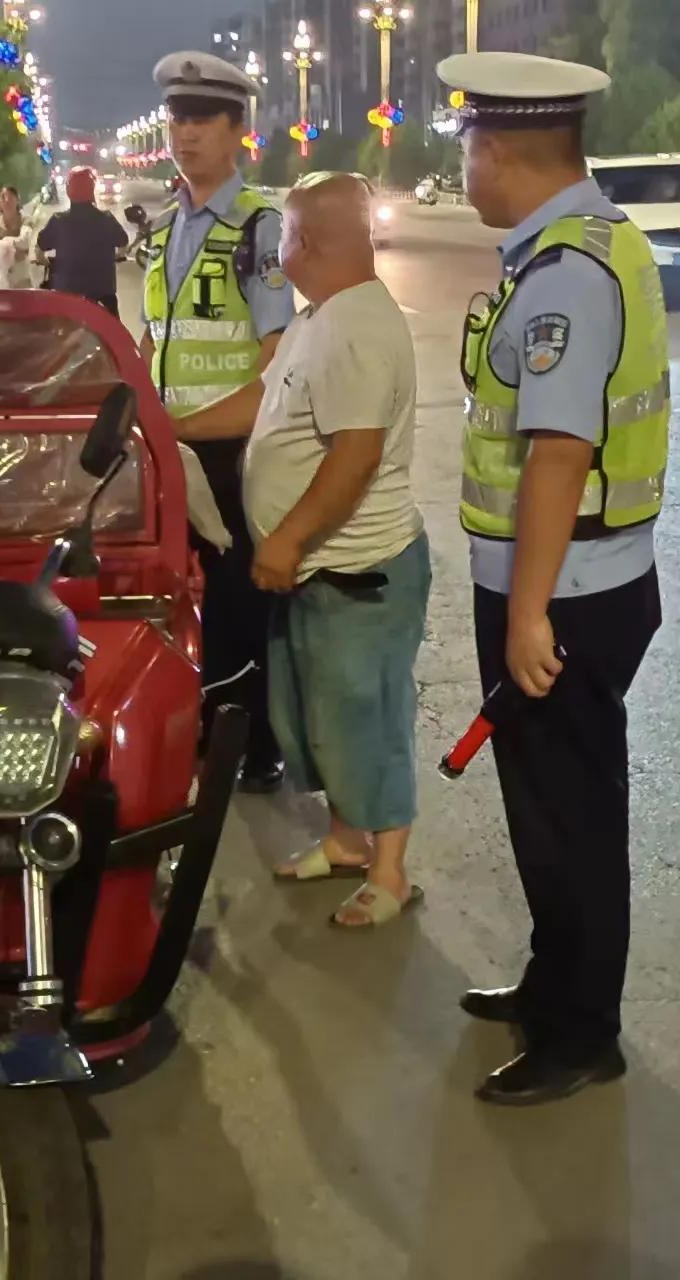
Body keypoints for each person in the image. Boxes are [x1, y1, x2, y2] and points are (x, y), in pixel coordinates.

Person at [440, 51, 671, 1107]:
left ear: (497, 150)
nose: (466, 172)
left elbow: (560, 451)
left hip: (565, 592)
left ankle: (583, 1033)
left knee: (569, 815)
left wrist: (527, 610)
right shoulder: (584, 245)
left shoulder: (568, 273)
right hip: (572, 581)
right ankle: (553, 984)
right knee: (546, 807)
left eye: (468, 150)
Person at [245, 174, 430, 928]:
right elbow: (262, 401)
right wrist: (169, 424)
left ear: (306, 242)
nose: (277, 250)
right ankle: (348, 842)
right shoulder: (319, 315)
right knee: (318, 720)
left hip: (360, 573)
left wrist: (287, 538)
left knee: (369, 721)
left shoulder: (357, 328)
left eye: (283, 235)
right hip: (317, 573)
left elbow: (355, 458)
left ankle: (389, 872)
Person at [144, 49, 292, 791]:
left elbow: (277, 363)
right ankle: (198, 727)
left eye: (204, 118)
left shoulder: (260, 229)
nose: (186, 132)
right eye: (178, 116)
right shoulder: (165, 227)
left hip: (233, 453)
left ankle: (252, 744)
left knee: (239, 602)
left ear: (238, 132)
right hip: (171, 453)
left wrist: (181, 428)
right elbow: (156, 339)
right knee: (176, 595)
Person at [39, 168, 129, 316]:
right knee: (113, 329)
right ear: (92, 189)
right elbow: (123, 243)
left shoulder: (58, 221)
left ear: (69, 191)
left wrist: (44, 261)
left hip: (67, 297)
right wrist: (118, 255)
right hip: (103, 296)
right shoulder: (106, 219)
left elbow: (40, 248)